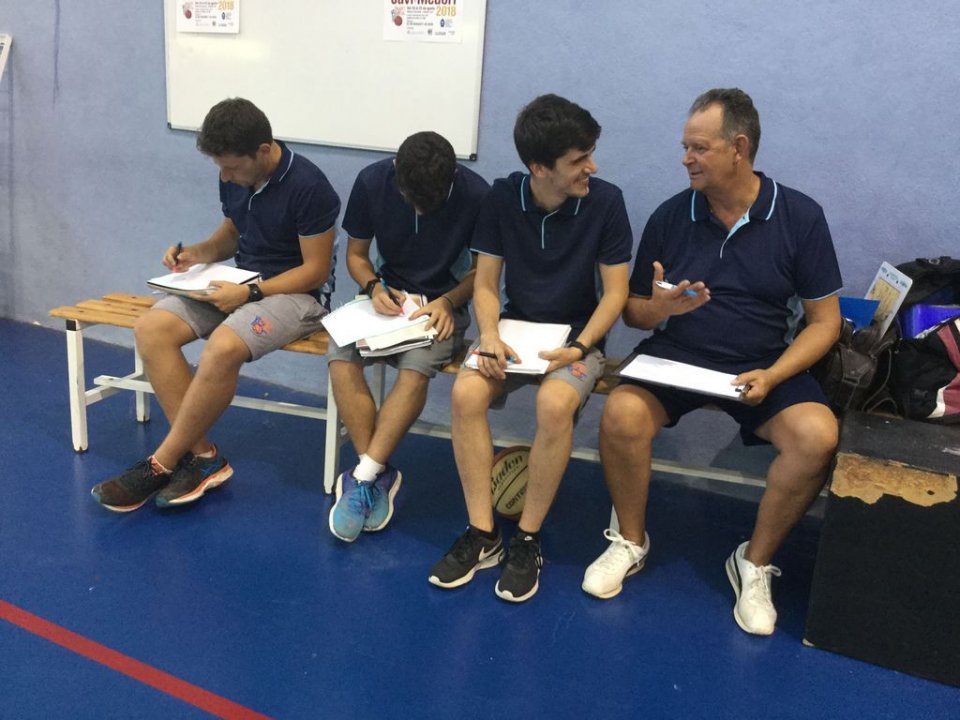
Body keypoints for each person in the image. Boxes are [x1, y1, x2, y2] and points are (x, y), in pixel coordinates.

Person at [583, 88, 842, 636]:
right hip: (678, 355)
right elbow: (634, 314)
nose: (686, 159)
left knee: (817, 437)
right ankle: (630, 540)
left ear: (739, 148)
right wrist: (661, 308)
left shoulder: (799, 216)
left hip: (762, 361)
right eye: (685, 147)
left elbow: (825, 323)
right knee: (621, 414)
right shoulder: (672, 215)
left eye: (698, 148)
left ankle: (754, 561)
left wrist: (774, 374)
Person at [428, 94, 633, 602]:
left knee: (554, 403)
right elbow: (485, 284)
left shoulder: (606, 202)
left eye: (590, 154)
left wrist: (581, 345)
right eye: (579, 159)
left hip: (578, 339)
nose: (592, 167)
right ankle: (483, 534)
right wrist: (489, 335)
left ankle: (527, 538)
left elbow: (616, 294)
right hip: (513, 332)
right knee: (465, 395)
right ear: (539, 168)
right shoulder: (501, 199)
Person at [91, 97, 340, 512]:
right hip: (241, 284)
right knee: (151, 329)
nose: (225, 176)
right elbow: (233, 233)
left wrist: (251, 293)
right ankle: (204, 457)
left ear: (263, 151)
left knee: (223, 346)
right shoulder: (235, 173)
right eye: (220, 168)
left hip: (298, 298)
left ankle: (161, 463)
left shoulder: (310, 187)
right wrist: (197, 253)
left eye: (232, 168)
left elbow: (314, 271)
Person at [327, 131, 490, 542]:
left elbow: (483, 272)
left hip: (442, 306)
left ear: (452, 178)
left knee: (415, 370)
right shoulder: (371, 181)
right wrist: (373, 287)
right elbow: (357, 256)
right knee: (340, 354)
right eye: (411, 199)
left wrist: (449, 301)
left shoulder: (477, 195)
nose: (418, 209)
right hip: (384, 298)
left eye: (429, 203)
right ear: (397, 175)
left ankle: (362, 476)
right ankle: (375, 472)